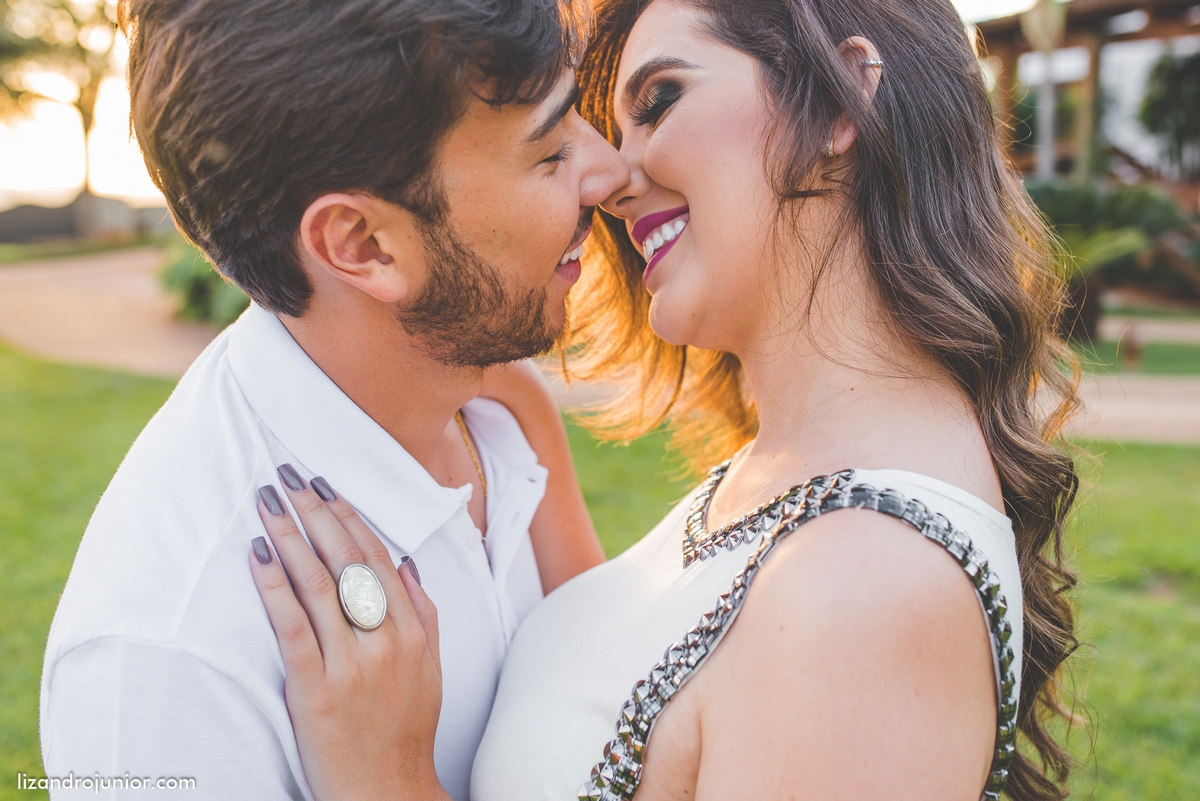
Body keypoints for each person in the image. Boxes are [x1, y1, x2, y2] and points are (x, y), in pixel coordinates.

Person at [249, 1, 1082, 800]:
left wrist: (386, 781)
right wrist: (514, 403)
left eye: (661, 100)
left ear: (839, 100)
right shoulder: (806, 469)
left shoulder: (867, 593)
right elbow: (641, 690)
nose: (610, 176)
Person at [38, 0, 628, 797]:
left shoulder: (497, 409)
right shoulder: (169, 661)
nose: (610, 170)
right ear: (363, 244)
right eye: (550, 150)